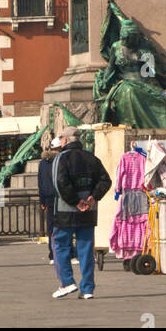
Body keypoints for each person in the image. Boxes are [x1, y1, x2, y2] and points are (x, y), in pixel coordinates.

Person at [50, 126, 111, 300]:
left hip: (66, 211)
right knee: (85, 248)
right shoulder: (91, 157)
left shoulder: (61, 158)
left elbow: (60, 184)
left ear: (65, 140)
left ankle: (67, 282)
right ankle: (87, 289)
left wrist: (76, 202)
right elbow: (105, 180)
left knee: (60, 245)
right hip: (89, 211)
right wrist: (93, 197)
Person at [38, 137, 62, 263]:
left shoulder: (42, 163)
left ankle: (52, 254)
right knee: (63, 226)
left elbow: (40, 183)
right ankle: (66, 253)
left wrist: (41, 201)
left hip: (47, 198)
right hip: (59, 197)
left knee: (50, 226)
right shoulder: (59, 160)